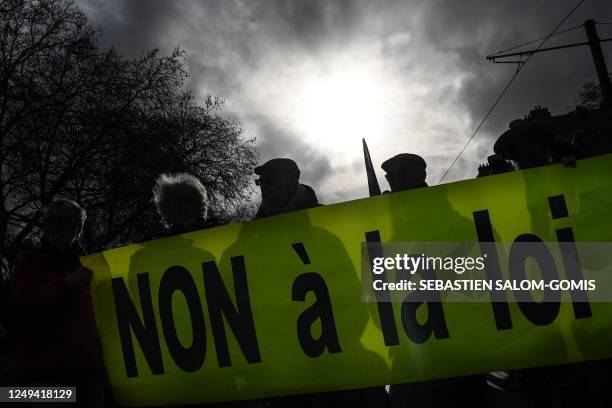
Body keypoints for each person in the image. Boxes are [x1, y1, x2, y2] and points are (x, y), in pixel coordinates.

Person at [10, 199, 106, 407]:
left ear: (78, 229)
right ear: (44, 225)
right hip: (42, 377)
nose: (58, 225)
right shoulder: (27, 263)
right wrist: (66, 285)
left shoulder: (94, 266)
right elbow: (19, 314)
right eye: (52, 220)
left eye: (66, 220)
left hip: (89, 376)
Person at [254, 158, 321, 219]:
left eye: (270, 181)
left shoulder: (324, 217)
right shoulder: (252, 228)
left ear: (291, 183)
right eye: (260, 182)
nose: (263, 187)